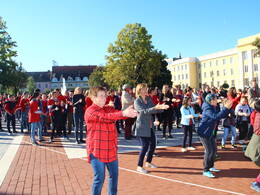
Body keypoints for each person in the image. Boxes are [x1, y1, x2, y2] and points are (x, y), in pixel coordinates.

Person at [85, 86, 138, 195]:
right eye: (101, 96)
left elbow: (116, 114)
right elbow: (106, 117)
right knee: (99, 179)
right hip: (97, 150)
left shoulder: (107, 108)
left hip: (111, 149)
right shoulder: (90, 111)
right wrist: (123, 113)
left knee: (114, 176)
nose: (104, 98)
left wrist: (128, 112)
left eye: (105, 95)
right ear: (93, 98)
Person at [134, 83, 169, 174]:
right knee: (144, 146)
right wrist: (155, 107)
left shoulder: (149, 99)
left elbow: (154, 109)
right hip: (141, 126)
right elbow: (143, 112)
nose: (146, 91)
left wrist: (162, 107)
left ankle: (148, 162)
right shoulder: (137, 101)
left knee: (153, 145)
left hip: (150, 126)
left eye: (146, 89)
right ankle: (139, 166)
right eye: (143, 89)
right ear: (139, 91)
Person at [198, 93, 232, 178]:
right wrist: (225, 108)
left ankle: (211, 166)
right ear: (211, 101)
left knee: (214, 150)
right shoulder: (207, 108)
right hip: (204, 132)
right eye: (216, 99)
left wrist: (227, 108)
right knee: (209, 151)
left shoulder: (214, 106)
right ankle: (205, 170)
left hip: (211, 132)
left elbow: (221, 115)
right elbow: (216, 117)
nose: (217, 100)